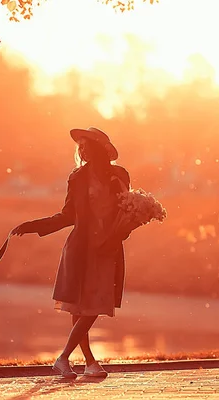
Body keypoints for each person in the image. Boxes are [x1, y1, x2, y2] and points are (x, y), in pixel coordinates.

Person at [11, 127, 132, 379]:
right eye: (81, 147)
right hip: (81, 247)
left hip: (107, 247)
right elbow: (67, 216)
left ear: (100, 149)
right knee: (80, 305)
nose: (82, 150)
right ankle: (86, 362)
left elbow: (126, 208)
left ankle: (64, 357)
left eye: (87, 146)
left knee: (96, 304)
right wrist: (34, 226)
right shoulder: (77, 177)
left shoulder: (119, 175)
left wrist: (124, 229)